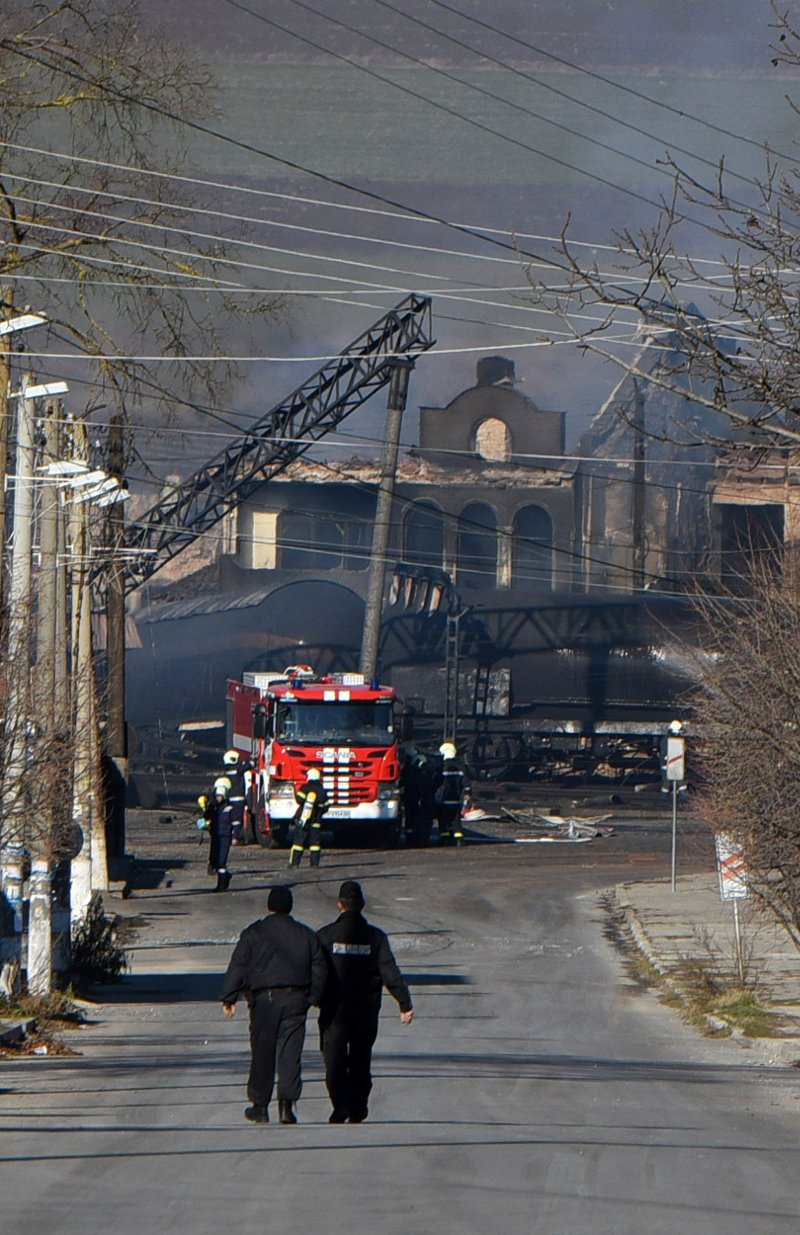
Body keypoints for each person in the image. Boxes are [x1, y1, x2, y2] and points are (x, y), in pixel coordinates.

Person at [222, 885, 326, 1125]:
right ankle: (287, 1108)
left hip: (264, 1001)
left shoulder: (254, 933)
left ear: (269, 906)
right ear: (290, 907)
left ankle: (260, 1106)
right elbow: (319, 968)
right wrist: (313, 998)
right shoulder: (306, 935)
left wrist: (229, 996)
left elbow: (239, 965)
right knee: (291, 1052)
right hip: (295, 999)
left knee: (263, 1052)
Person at [317, 879, 414, 1125]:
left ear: (339, 905)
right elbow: (390, 973)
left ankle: (341, 1105)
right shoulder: (376, 938)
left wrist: (310, 998)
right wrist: (404, 1002)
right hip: (365, 1012)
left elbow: (315, 972)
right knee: (361, 1060)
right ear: (362, 905)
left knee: (334, 1061)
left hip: (334, 1011)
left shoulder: (325, 936)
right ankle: (358, 1106)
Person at [288, 767, 328, 868]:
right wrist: (318, 812)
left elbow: (299, 799)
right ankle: (314, 864)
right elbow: (326, 806)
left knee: (298, 842)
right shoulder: (322, 791)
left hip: (303, 821)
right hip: (316, 822)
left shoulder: (305, 788)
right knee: (315, 844)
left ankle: (294, 864)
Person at [200, 776, 234, 891]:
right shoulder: (213, 807)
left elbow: (234, 822)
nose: (218, 798)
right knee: (213, 861)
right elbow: (206, 816)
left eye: (220, 796)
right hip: (215, 835)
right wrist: (204, 810)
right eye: (217, 796)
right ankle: (225, 877)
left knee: (221, 861)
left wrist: (235, 836)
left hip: (224, 836)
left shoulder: (229, 807)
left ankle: (221, 885)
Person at [432, 742, 470, 846]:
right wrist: (466, 796)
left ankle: (445, 839)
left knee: (443, 820)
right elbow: (466, 783)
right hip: (456, 799)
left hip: (443, 799)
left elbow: (436, 782)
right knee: (456, 819)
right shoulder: (461, 766)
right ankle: (459, 839)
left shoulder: (442, 767)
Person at [223, 748, 253, 845]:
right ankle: (235, 838)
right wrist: (251, 761)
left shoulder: (226, 771)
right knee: (237, 819)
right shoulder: (237, 769)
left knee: (230, 818)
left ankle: (229, 837)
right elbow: (249, 766)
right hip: (238, 798)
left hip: (229, 798)